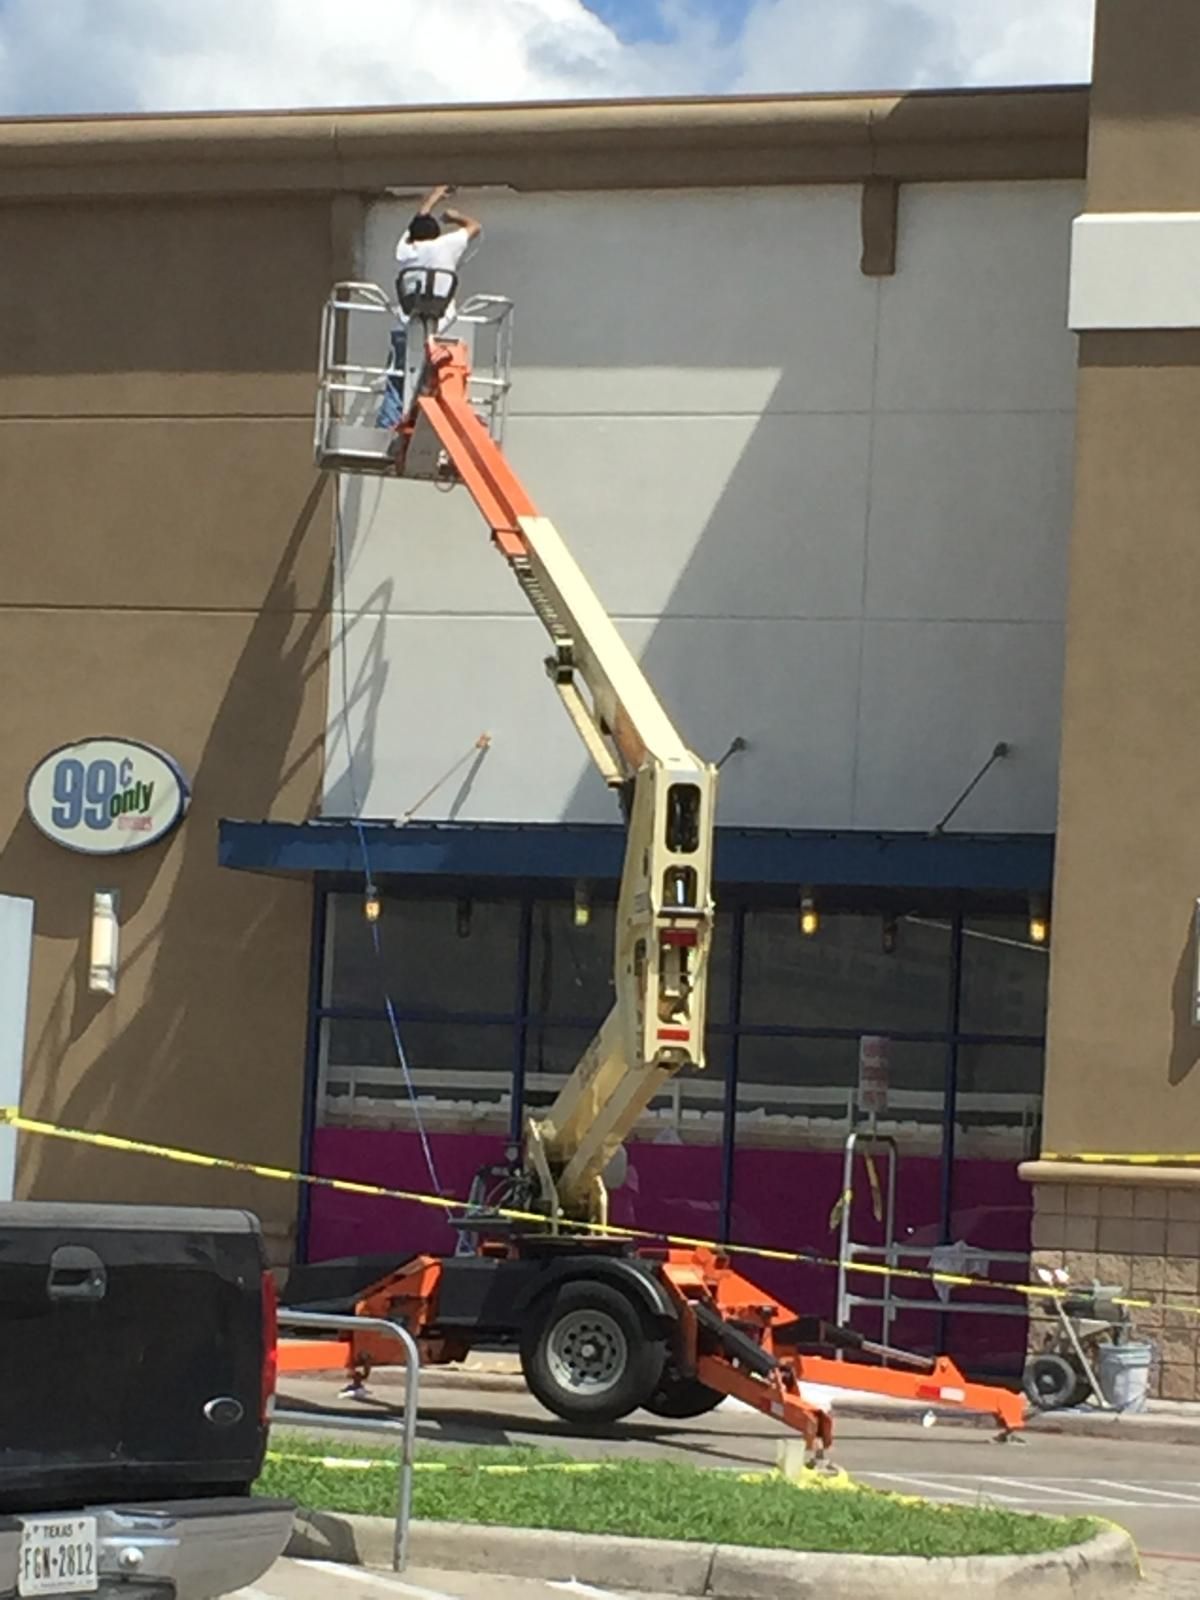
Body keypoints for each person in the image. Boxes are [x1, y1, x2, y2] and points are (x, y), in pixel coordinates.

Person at [377, 183, 482, 429]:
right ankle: (441, 424)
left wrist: (433, 198)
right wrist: (455, 217)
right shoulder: (445, 246)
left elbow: (416, 223)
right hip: (442, 331)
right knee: (442, 379)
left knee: (397, 380)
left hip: (406, 327)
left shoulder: (405, 251)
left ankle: (388, 426)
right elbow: (475, 227)